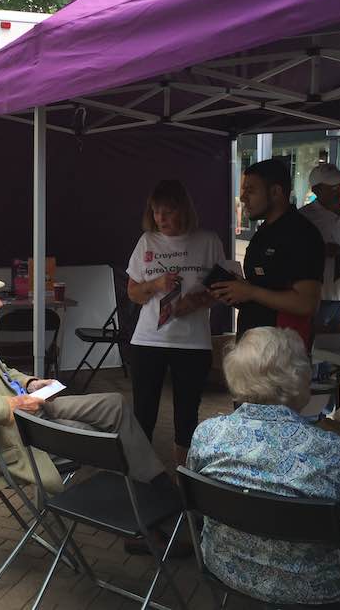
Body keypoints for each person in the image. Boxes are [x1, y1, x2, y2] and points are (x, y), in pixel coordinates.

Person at [0, 268, 181, 555]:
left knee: (114, 404)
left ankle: (160, 491)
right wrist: (15, 404)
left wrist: (30, 382)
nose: (0, 303)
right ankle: (148, 520)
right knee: (103, 439)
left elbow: (1, 371)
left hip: (31, 415)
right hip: (21, 435)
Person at [187, 327, 340, 605]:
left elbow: (198, 504)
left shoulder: (207, 435)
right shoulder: (333, 452)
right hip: (318, 588)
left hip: (226, 568)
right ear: (295, 377)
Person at [126, 180, 224, 467]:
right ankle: (142, 475)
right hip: (148, 341)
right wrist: (156, 283)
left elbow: (219, 291)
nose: (161, 219)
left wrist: (191, 303)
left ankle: (183, 476)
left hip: (192, 342)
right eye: (156, 212)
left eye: (168, 212)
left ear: (184, 210)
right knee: (143, 411)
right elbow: (133, 293)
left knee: (187, 414)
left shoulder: (208, 241)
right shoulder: (147, 241)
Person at [210, 158, 323, 348]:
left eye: (250, 191)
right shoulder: (264, 231)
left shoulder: (301, 234)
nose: (243, 198)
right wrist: (236, 291)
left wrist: (250, 291)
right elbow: (262, 293)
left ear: (276, 192)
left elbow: (306, 303)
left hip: (282, 352)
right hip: (253, 347)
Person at [299, 163, 340, 331]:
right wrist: (320, 251)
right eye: (333, 186)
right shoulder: (303, 217)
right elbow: (289, 255)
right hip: (314, 297)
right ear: (316, 190)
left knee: (333, 347)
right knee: (311, 346)